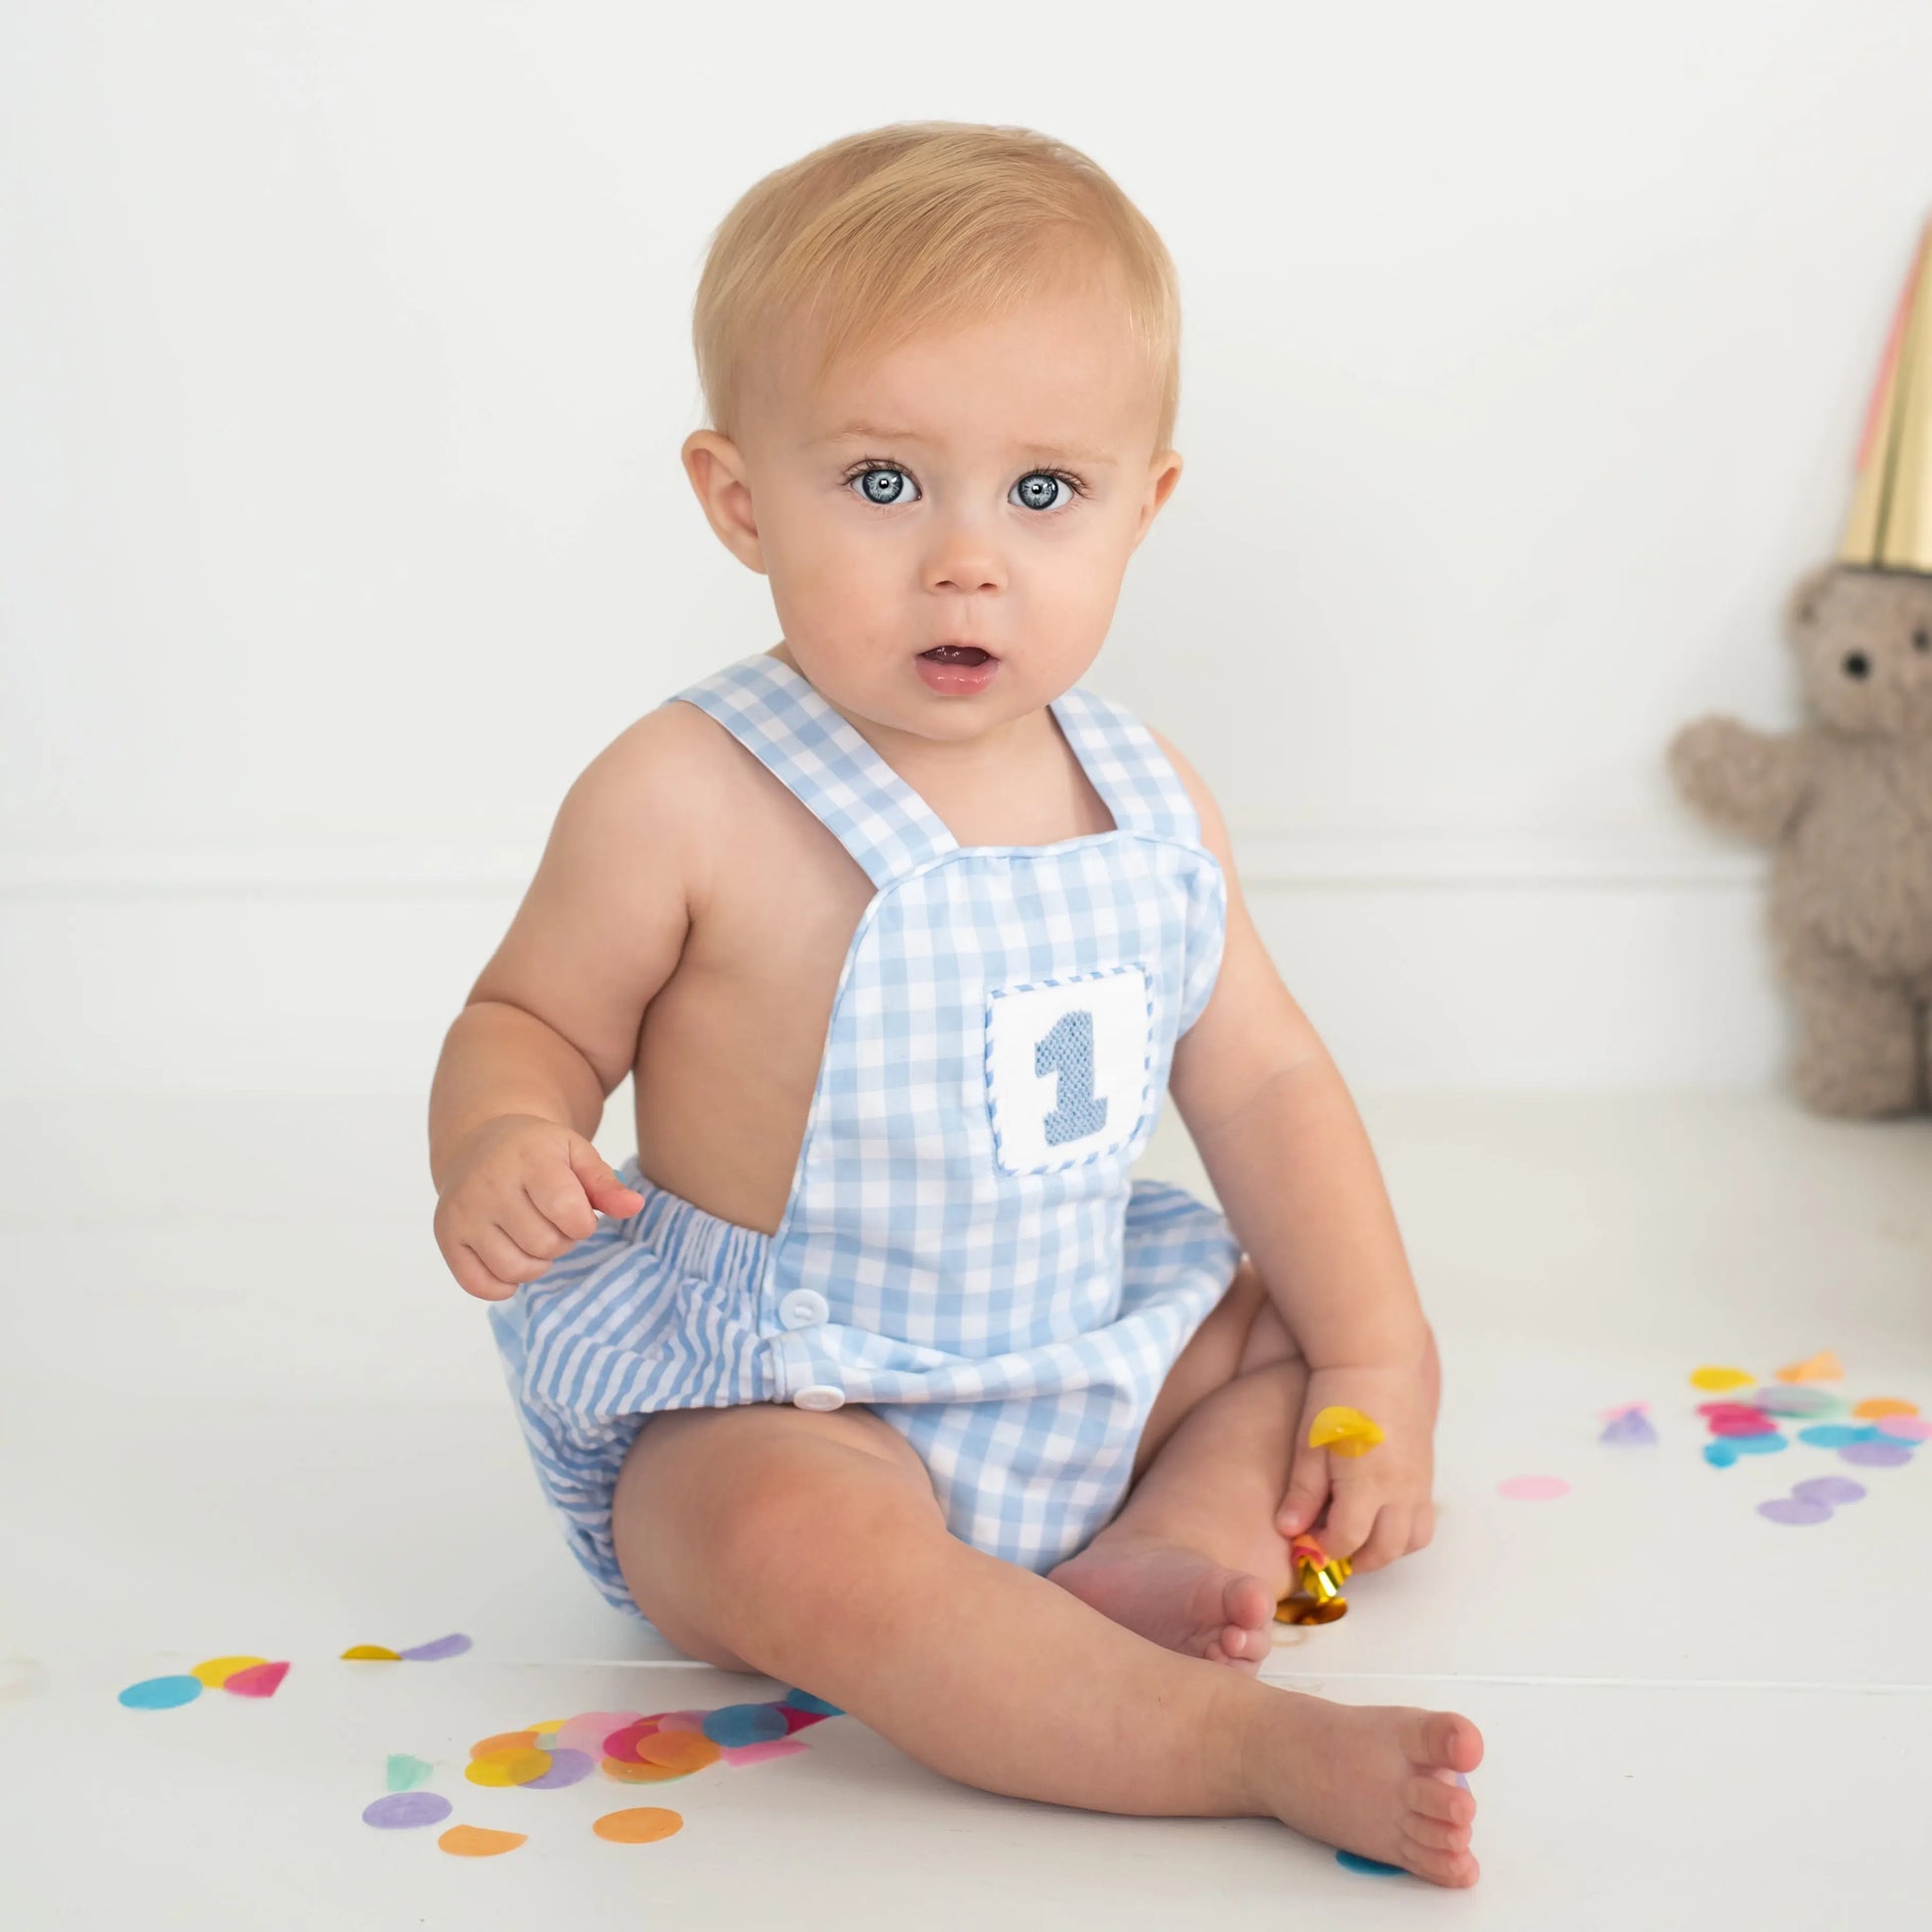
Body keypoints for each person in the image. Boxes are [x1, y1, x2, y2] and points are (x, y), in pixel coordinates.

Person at [427, 121, 1481, 1886]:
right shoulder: (685, 790)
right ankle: (1223, 1743)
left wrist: (1383, 1355)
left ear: (1142, 505)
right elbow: (528, 1013)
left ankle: (1166, 1533)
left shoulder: (1149, 798)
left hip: (1074, 1333)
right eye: (885, 483)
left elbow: (1270, 1086)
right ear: (740, 495)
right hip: (795, 1395)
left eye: (1042, 493)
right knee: (763, 1537)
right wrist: (504, 1130)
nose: (966, 559)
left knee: (1280, 1339)